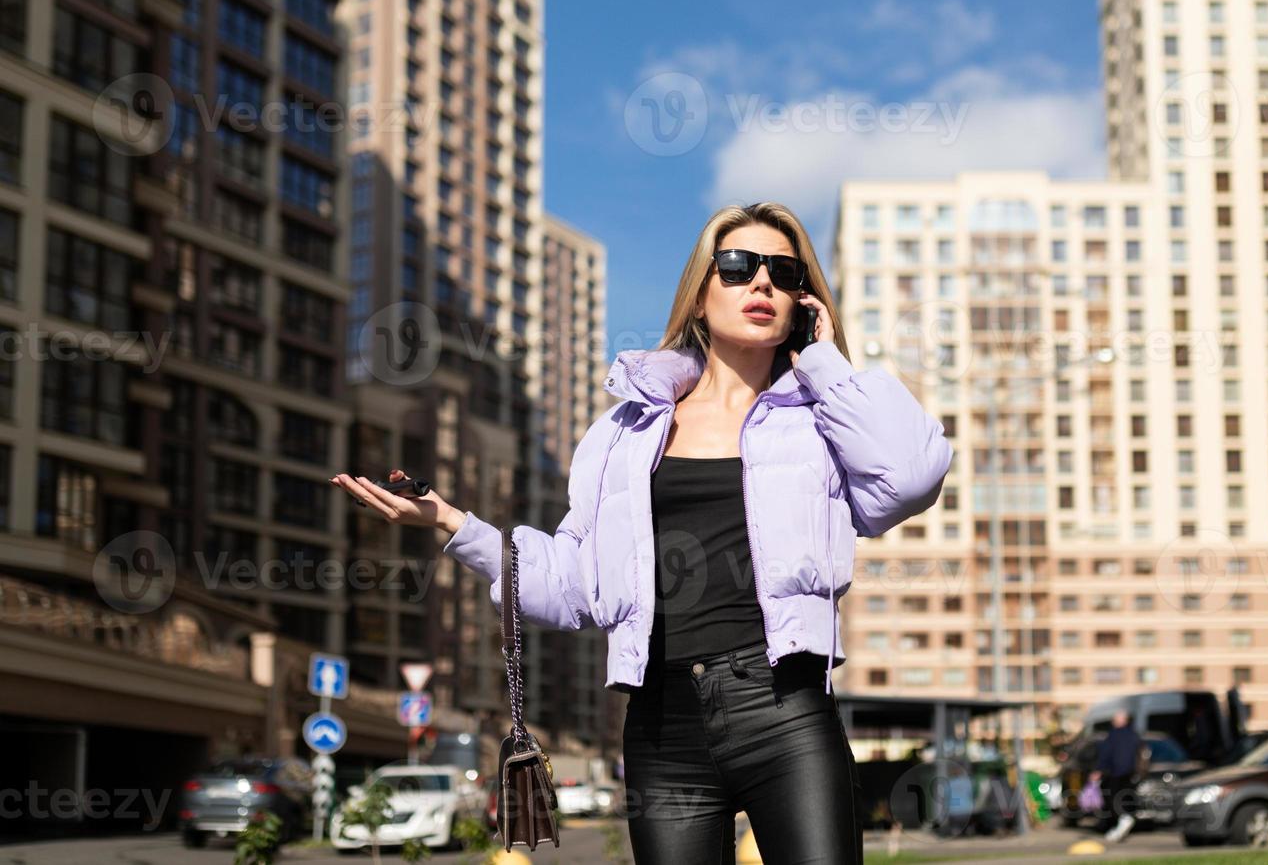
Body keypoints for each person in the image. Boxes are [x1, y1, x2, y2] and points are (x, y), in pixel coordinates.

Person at [331, 201, 954, 864]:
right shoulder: (625, 431)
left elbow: (910, 477)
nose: (763, 283)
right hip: (661, 723)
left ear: (804, 298)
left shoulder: (821, 420)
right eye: (740, 266)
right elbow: (574, 589)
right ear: (699, 292)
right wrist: (457, 526)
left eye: (783, 270)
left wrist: (824, 364)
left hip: (784, 709)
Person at [1089, 710, 1141, 842]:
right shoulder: (1134, 735)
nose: (1113, 720)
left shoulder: (1113, 735)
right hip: (1131, 774)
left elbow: (1106, 754)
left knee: (1113, 800)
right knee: (1127, 799)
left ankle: (1122, 821)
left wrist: (1098, 770)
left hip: (1116, 773)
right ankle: (1124, 820)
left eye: (1115, 718)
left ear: (1122, 720)